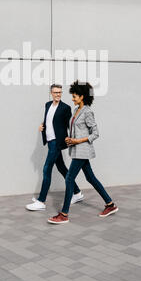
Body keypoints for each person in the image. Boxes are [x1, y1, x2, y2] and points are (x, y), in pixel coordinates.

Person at [48, 80, 118, 224]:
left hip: (83, 150)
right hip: (76, 150)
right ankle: (110, 204)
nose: (72, 98)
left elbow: (95, 133)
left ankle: (64, 214)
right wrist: (70, 139)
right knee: (90, 178)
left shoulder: (87, 112)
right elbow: (76, 131)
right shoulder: (76, 111)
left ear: (82, 96)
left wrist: (78, 141)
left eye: (74, 96)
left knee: (68, 178)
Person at [26, 84, 84, 211]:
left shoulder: (65, 108)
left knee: (47, 169)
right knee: (62, 168)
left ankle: (41, 201)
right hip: (50, 141)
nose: (58, 94)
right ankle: (77, 193)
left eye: (60, 92)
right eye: (56, 92)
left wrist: (75, 140)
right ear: (51, 93)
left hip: (57, 142)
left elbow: (71, 125)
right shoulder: (48, 105)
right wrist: (42, 127)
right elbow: (49, 121)